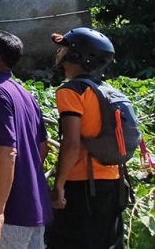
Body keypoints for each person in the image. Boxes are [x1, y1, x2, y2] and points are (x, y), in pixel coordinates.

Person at [46, 28, 126, 248]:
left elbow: (71, 144)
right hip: (116, 182)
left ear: (76, 55)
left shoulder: (71, 91)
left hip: (84, 185)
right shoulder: (107, 90)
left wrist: (59, 185)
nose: (59, 53)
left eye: (64, 48)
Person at [0, 31, 52, 248]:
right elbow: (43, 148)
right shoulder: (25, 94)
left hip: (11, 214)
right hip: (35, 207)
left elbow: (7, 151)